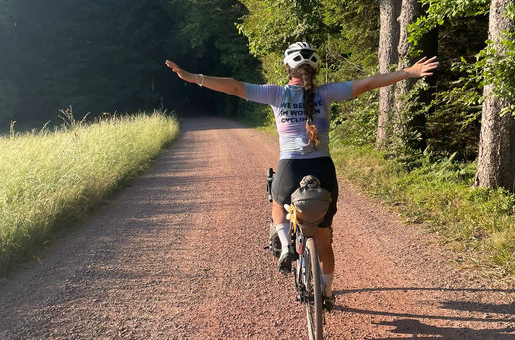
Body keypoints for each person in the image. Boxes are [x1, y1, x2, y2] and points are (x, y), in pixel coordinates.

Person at [166, 43, 438, 308]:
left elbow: (234, 86)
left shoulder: (275, 94)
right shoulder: (327, 93)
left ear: (288, 69)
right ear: (314, 70)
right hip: (323, 168)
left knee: (278, 205)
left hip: (291, 167)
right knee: (323, 240)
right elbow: (368, 83)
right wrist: (408, 72)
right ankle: (327, 292)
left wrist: (194, 77)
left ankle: (286, 244)